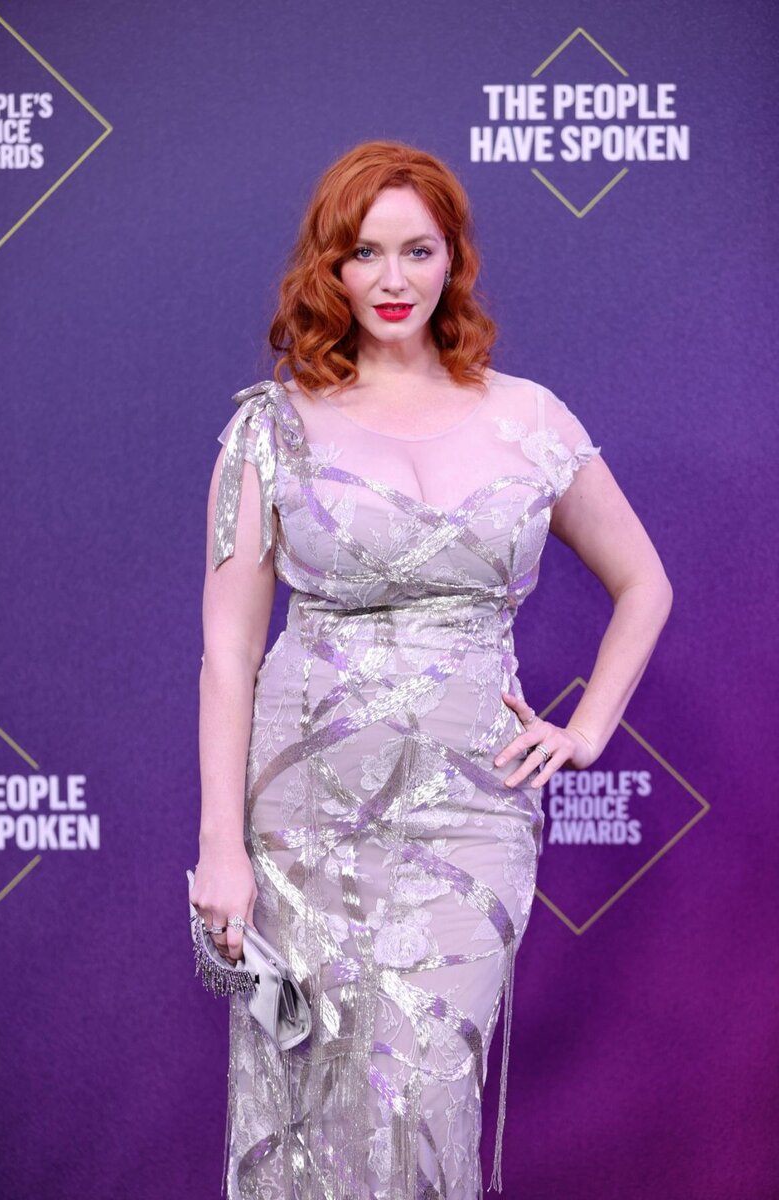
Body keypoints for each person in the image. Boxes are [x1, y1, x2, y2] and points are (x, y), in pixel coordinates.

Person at [191, 139, 672, 1200]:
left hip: (470, 812)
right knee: (309, 1097)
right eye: (364, 253)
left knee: (426, 1088)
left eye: (417, 250)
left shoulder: (530, 418)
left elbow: (644, 582)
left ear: (453, 258)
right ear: (329, 266)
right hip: (304, 817)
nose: (393, 278)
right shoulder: (269, 430)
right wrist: (220, 848)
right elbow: (228, 655)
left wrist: (585, 727)